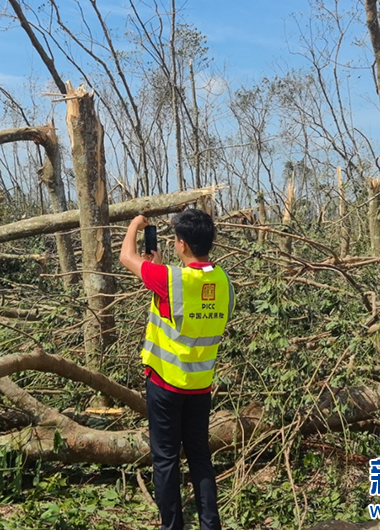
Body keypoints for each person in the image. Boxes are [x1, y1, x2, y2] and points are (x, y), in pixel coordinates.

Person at [119, 208, 234, 530]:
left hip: (165, 385)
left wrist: (135, 225)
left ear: (181, 244)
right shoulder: (224, 282)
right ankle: (211, 525)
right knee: (200, 458)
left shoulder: (171, 279)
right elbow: (190, 306)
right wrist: (156, 268)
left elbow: (126, 256)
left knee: (166, 460)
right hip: (201, 386)